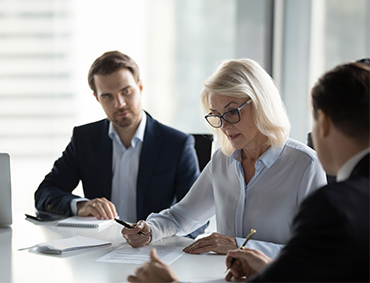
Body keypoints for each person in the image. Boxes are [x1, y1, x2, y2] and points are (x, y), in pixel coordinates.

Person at [127, 60, 369, 283]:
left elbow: (312, 256)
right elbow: (182, 216)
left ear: (261, 104)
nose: (224, 125)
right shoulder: (223, 159)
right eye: (217, 116)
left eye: (232, 112)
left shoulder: (305, 164)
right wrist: (150, 230)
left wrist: (239, 246)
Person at [34, 51, 203, 235]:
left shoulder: (177, 144)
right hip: (98, 249)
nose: (119, 103)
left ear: (140, 87)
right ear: (97, 99)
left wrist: (160, 235)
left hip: (156, 250)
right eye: (108, 96)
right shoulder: (84, 139)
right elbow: (45, 193)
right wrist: (81, 205)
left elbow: (197, 219)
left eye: (126, 91)